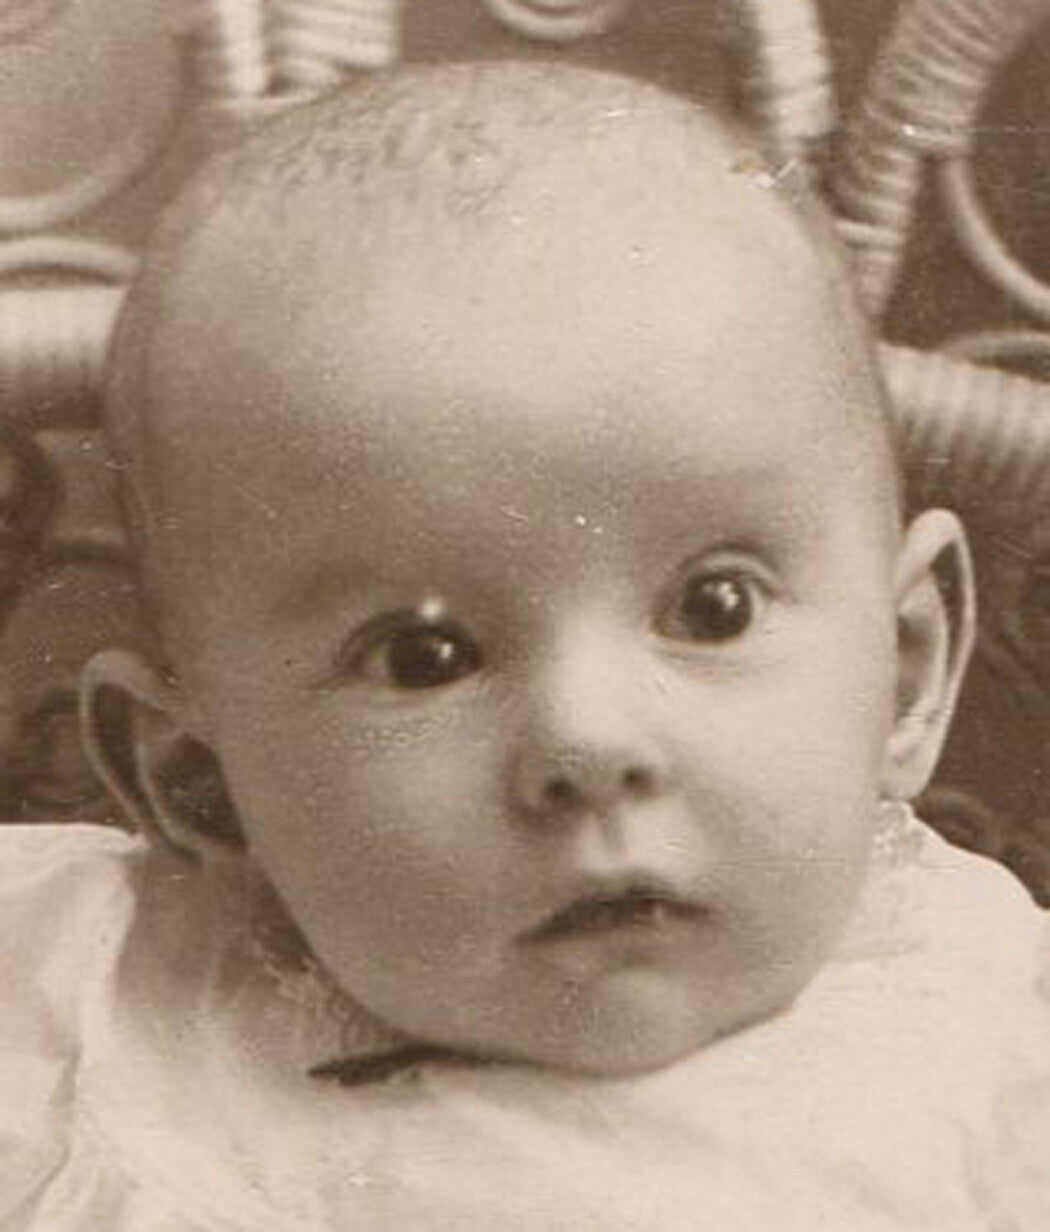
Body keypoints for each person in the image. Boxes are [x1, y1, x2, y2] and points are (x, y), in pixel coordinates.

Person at [1, 61, 1047, 1230]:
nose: (588, 741)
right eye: (422, 657)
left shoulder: (1001, 1063)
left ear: (903, 671)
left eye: (712, 608)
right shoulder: (74, 992)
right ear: (197, 785)